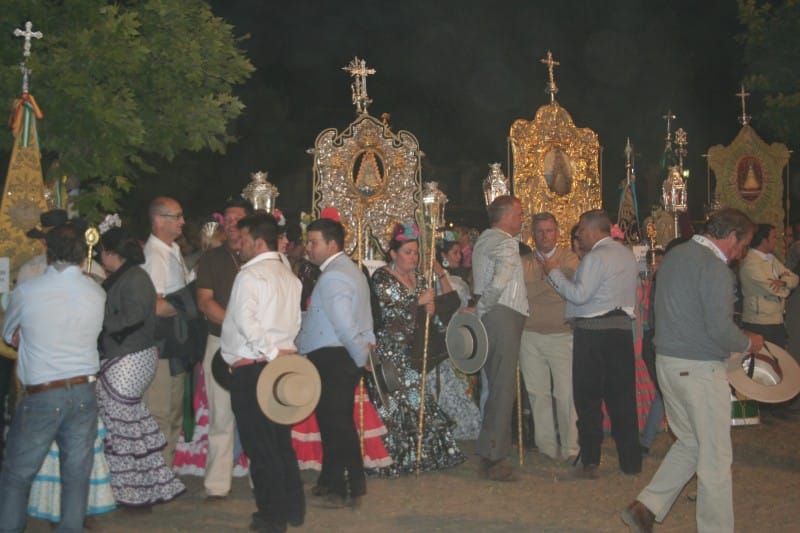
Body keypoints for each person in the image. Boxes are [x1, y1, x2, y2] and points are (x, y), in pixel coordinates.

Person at [623, 208, 763, 533]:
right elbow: (720, 329)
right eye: (742, 245)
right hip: (699, 370)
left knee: (690, 443)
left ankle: (646, 507)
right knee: (715, 459)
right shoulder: (714, 268)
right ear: (731, 237)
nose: (741, 253)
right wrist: (748, 343)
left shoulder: (674, 256)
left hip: (667, 365)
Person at [0, 222, 106, 532]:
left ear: (48, 249)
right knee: (75, 475)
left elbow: (9, 335)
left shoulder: (29, 290)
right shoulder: (96, 292)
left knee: (18, 473)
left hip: (45, 392)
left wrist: (29, 335)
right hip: (85, 391)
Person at [221, 214, 305, 532]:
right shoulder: (290, 277)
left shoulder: (250, 274)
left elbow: (246, 320)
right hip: (279, 368)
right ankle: (292, 507)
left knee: (261, 447)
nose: (239, 246)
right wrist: (279, 352)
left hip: (255, 367)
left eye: (242, 240)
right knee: (280, 443)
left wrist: (270, 353)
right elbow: (295, 324)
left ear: (257, 242)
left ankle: (272, 516)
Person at [542, 209, 641, 478]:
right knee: (622, 398)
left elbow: (580, 295)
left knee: (588, 399)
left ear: (592, 229)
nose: (579, 236)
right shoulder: (625, 253)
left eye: (581, 231)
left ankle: (591, 460)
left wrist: (554, 274)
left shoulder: (596, 257)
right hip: (621, 332)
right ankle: (631, 461)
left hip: (593, 333)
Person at [96, 227, 186, 507]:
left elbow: (133, 316)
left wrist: (99, 322)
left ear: (112, 253)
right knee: (127, 424)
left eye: (102, 253)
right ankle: (144, 486)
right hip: (130, 354)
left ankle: (131, 489)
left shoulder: (134, 277)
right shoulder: (130, 275)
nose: (100, 258)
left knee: (122, 426)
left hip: (128, 355)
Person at [368, 222, 467, 473]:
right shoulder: (381, 277)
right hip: (390, 352)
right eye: (407, 252)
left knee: (417, 399)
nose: (413, 257)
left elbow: (428, 311)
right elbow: (386, 314)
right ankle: (392, 458)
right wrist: (416, 302)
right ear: (393, 254)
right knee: (394, 403)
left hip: (413, 351)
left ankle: (421, 455)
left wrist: (430, 309)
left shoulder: (420, 277)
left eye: (415, 252)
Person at [296, 217, 375, 508]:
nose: (308, 247)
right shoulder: (348, 270)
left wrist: (361, 357)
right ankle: (331, 480)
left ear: (331, 245)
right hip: (340, 355)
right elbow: (361, 318)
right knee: (333, 422)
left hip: (334, 356)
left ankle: (349, 485)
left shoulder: (333, 276)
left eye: (313, 242)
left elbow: (344, 325)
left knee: (336, 424)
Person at [194, 198, 252, 499]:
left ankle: (263, 478)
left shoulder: (261, 256)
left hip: (256, 347)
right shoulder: (212, 258)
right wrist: (237, 326)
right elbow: (205, 301)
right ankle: (217, 485)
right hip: (220, 341)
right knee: (221, 415)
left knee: (258, 413)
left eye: (237, 218)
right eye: (226, 218)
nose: (231, 224)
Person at [471, 195, 529, 481]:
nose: (522, 218)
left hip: (495, 315)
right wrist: (485, 304)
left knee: (496, 385)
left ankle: (491, 450)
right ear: (505, 216)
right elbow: (501, 277)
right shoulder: (505, 242)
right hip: (503, 313)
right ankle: (493, 456)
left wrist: (483, 306)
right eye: (519, 213)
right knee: (503, 388)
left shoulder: (484, 239)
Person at [519, 212, 580, 462]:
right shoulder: (523, 261)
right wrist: (553, 280)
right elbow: (523, 294)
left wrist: (540, 286)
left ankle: (571, 447)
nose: (544, 235)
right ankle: (546, 447)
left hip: (562, 335)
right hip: (529, 335)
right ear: (533, 235)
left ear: (557, 232)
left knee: (566, 395)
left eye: (549, 230)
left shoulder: (571, 259)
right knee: (537, 393)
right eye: (540, 231)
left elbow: (573, 293)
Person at [142, 196, 192, 465]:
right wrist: (185, 303)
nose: (183, 221)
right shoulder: (156, 256)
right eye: (178, 215)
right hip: (161, 346)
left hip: (175, 344)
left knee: (173, 413)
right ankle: (155, 474)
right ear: (160, 220)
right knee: (159, 413)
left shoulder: (171, 250)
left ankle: (166, 471)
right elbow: (156, 306)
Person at [739, 223, 798, 348]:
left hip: (777, 320)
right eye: (774, 237)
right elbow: (774, 289)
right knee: (764, 362)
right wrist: (786, 286)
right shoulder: (750, 262)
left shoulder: (771, 259)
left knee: (780, 362)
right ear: (763, 240)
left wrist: (783, 282)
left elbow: (795, 278)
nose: (777, 241)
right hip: (759, 322)